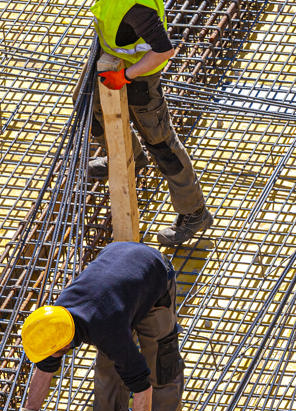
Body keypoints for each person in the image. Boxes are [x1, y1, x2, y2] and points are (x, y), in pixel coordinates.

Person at [11, 241, 187, 411]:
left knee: (161, 368)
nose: (53, 357)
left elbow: (141, 386)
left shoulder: (107, 330)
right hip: (117, 282)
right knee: (107, 372)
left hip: (153, 280)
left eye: (55, 353)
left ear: (65, 343)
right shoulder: (55, 321)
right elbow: (45, 367)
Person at [88, 0, 213, 247]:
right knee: (94, 114)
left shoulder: (136, 9)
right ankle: (131, 159)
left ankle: (194, 213)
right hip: (115, 61)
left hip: (141, 80)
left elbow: (164, 51)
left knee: (162, 146)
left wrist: (125, 76)